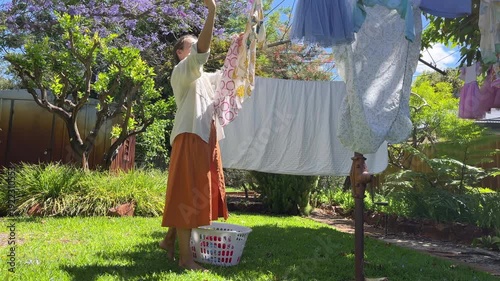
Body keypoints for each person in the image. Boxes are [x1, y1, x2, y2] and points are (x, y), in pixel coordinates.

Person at [159, 0, 229, 271]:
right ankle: (186, 259)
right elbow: (202, 52)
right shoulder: (182, 72)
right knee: (188, 193)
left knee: (195, 192)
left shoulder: (203, 78)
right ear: (180, 53)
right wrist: (212, 12)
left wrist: (245, 45)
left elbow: (228, 76)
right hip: (190, 135)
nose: (197, 44)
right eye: (191, 43)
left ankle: (169, 240)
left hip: (205, 138)